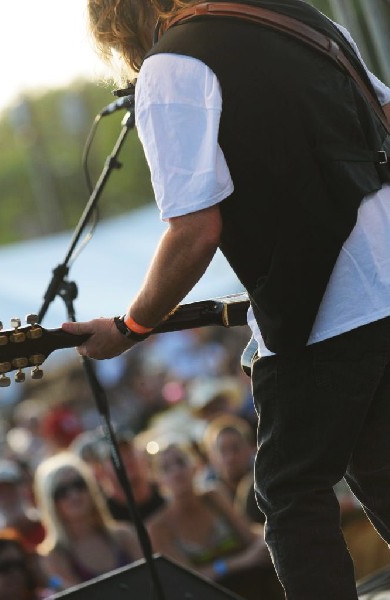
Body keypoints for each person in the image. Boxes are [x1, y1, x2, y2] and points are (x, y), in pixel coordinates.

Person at [62, 0, 390, 598]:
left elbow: (195, 232)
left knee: (291, 493)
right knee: (380, 466)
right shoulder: (303, 17)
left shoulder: (171, 65)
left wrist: (131, 326)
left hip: (326, 313)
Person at [147, 442, 282, 600]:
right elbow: (188, 579)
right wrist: (241, 561)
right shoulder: (158, 527)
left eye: (181, 462)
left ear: (195, 465)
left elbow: (249, 535)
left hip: (254, 585)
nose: (176, 471)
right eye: (166, 468)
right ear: (158, 480)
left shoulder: (213, 497)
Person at [33, 451, 142, 589]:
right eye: (62, 491)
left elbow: (152, 579)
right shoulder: (54, 557)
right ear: (51, 503)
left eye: (79, 484)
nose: (74, 495)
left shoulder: (124, 536)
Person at [0, 459, 45, 551]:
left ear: (24, 490)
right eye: (0, 493)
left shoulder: (47, 526)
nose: (7, 498)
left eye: (10, 490)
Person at [0, 528, 60, 600]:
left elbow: (63, 590)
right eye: (5, 567)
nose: (16, 573)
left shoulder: (45, 596)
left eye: (21, 565)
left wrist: (49, 581)